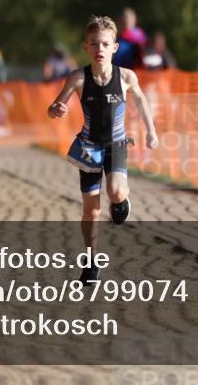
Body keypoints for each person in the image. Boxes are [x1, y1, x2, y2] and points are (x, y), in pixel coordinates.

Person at [48, 15, 159, 285]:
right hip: (88, 147)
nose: (99, 49)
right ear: (85, 47)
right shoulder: (77, 77)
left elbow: (142, 100)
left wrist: (151, 130)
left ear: (115, 47)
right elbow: (53, 108)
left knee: (116, 192)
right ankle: (91, 262)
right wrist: (56, 110)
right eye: (94, 44)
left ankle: (122, 201)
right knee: (92, 210)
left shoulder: (126, 77)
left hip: (117, 142)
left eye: (105, 44)